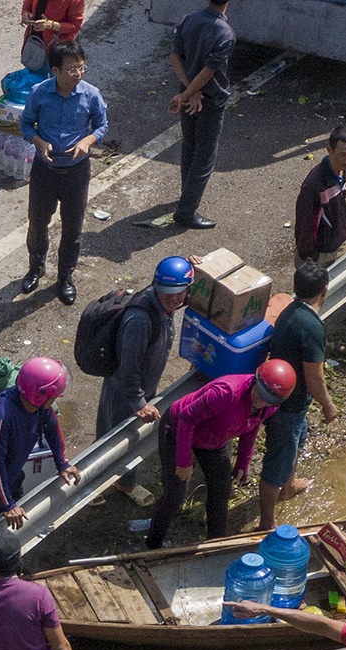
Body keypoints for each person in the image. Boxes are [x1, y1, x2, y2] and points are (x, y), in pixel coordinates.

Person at [143, 359, 294, 549]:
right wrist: (183, 461)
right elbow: (186, 418)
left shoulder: (269, 406)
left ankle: (216, 543)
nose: (261, 400)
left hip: (213, 439)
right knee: (175, 493)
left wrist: (242, 463)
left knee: (222, 489)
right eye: (260, 393)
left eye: (269, 400)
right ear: (255, 379)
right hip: (178, 428)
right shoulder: (226, 392)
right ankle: (153, 543)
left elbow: (251, 428)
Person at [19, 43, 108, 303]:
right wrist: (38, 142)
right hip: (44, 170)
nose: (78, 73)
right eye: (71, 69)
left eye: (81, 67)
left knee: (72, 229)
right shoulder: (40, 93)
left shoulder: (91, 95)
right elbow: (25, 123)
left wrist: (88, 142)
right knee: (37, 223)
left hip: (76, 172)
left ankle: (65, 277)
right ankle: (35, 268)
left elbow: (101, 125)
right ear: (55, 70)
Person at [257, 261, 337, 530]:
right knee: (277, 460)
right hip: (287, 405)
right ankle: (267, 522)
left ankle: (288, 486)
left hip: (285, 399)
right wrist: (327, 405)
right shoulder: (312, 327)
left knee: (295, 443)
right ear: (324, 291)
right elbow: (315, 376)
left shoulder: (289, 310)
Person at [0, 358, 79, 531]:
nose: (54, 400)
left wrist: (62, 463)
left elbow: (52, 429)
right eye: (53, 397)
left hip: (10, 480)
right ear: (41, 396)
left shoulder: (40, 408)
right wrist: (7, 505)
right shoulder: (2, 416)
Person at [96, 255, 193, 437]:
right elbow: (129, 363)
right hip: (124, 393)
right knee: (113, 438)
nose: (173, 299)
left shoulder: (163, 304)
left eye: (179, 292)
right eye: (167, 292)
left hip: (144, 385)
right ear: (156, 286)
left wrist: (191, 264)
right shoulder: (139, 320)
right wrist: (138, 402)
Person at [168, 0, 234, 230]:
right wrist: (191, 93)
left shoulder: (189, 20)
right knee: (205, 156)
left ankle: (186, 196)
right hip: (210, 100)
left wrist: (186, 93)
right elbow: (209, 70)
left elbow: (175, 57)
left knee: (190, 146)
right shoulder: (225, 33)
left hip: (188, 96)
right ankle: (186, 211)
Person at [295, 126, 346, 263]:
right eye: (343, 154)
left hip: (338, 246)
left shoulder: (344, 171)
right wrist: (309, 258)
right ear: (330, 150)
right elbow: (304, 225)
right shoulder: (313, 185)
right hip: (318, 255)